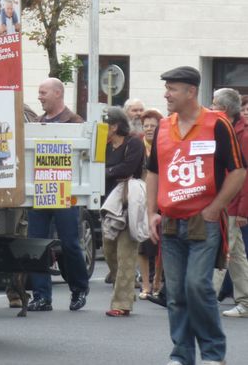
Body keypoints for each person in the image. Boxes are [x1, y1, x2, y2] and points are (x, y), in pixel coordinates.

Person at [146, 66, 245, 365]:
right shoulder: (164, 126)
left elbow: (239, 171)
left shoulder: (217, 124)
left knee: (197, 287)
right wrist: (152, 212)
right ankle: (182, 355)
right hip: (171, 222)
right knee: (175, 292)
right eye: (166, 88)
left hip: (206, 221)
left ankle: (214, 353)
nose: (166, 94)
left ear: (191, 92)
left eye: (172, 88)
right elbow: (153, 172)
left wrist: (216, 208)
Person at [26, 77, 89, 312]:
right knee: (37, 244)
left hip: (65, 192)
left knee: (70, 244)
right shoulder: (37, 123)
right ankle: (42, 296)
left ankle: (79, 288)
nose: (39, 97)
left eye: (43, 92)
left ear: (58, 94)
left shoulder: (75, 122)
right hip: (40, 190)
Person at [102, 107, 146, 317]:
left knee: (126, 254)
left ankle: (121, 303)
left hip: (129, 205)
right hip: (108, 208)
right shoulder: (104, 146)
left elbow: (127, 169)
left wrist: (106, 171)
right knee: (109, 252)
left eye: (105, 125)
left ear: (114, 126)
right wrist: (111, 172)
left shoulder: (133, 142)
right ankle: (127, 292)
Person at [211, 87, 248, 318]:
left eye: (214, 104)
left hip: (233, 204)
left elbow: (243, 174)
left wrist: (243, 209)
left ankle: (205, 300)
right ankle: (245, 300)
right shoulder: (231, 129)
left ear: (223, 109)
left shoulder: (243, 134)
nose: (211, 108)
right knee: (235, 255)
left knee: (221, 251)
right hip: (228, 202)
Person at [138, 108, 165, 300]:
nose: (149, 129)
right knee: (143, 245)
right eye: (146, 126)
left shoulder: (164, 145)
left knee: (159, 245)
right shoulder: (139, 146)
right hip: (142, 199)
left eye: (153, 126)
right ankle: (145, 285)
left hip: (162, 199)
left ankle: (157, 283)